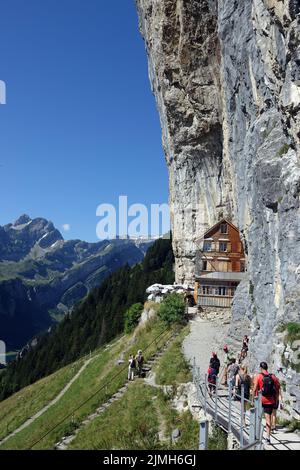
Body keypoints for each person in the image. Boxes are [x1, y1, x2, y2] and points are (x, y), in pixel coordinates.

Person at [252, 361, 280, 445]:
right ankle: (268, 438)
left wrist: (253, 399)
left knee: (258, 417)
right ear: (267, 368)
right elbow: (278, 388)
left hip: (261, 400)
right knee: (268, 418)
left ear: (261, 368)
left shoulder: (259, 376)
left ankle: (256, 435)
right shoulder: (273, 377)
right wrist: (277, 399)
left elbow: (255, 388)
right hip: (270, 401)